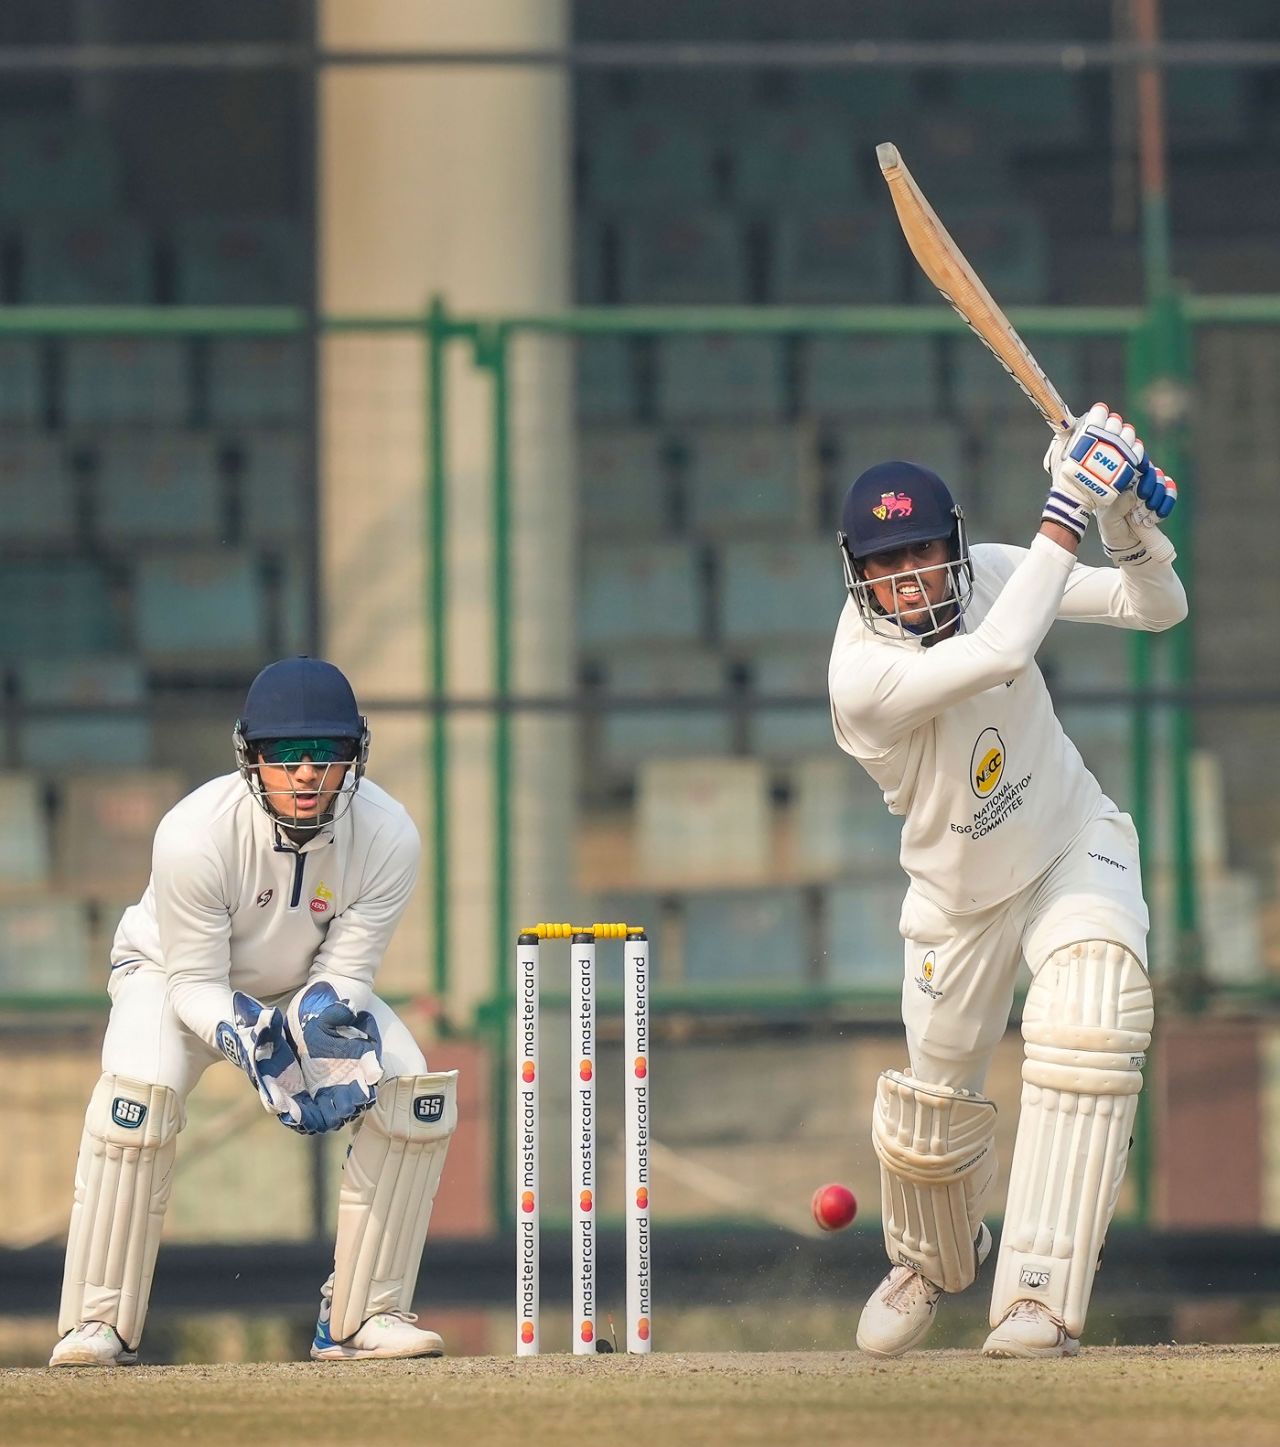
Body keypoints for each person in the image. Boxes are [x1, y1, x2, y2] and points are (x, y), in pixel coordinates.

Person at [828, 404, 1186, 1359]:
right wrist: (1070, 499)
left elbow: (1156, 608)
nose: (908, 581)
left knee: (1094, 1012)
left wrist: (1124, 522)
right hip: (957, 896)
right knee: (931, 1125)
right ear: (858, 577)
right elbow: (1001, 653)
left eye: (920, 555)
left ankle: (1039, 1295)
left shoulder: (987, 570)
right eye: (883, 566)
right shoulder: (861, 673)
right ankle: (926, 1258)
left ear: (950, 544)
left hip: (1069, 837)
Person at [50, 656, 458, 1367]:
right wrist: (256, 1040)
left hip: (302, 986)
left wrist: (313, 1023)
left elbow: (349, 973)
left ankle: (362, 1316)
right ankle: (98, 1323)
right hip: (170, 977)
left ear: (354, 756)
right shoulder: (194, 834)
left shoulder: (390, 835)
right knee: (137, 1101)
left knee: (412, 1092)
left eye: (325, 753)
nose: (306, 773)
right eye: (286, 754)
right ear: (252, 757)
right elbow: (193, 985)